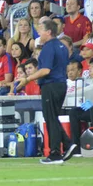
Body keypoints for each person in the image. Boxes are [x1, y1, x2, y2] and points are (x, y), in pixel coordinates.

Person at [15, 19, 75, 164]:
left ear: (48, 32)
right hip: (61, 84)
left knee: (50, 118)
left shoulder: (48, 47)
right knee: (53, 117)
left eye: (41, 30)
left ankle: (55, 153)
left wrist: (27, 79)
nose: (39, 32)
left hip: (51, 85)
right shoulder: (62, 46)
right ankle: (67, 144)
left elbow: (45, 70)